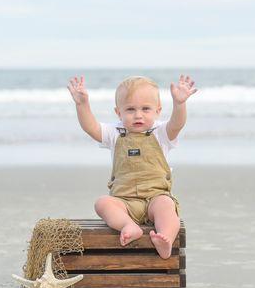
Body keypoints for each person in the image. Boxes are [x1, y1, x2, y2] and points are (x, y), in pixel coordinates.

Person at [67, 75, 197, 259]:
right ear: (118, 112)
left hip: (155, 197)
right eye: (130, 109)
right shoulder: (115, 133)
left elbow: (177, 124)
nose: (138, 115)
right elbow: (91, 127)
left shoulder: (161, 133)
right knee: (102, 203)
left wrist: (180, 104)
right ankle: (128, 225)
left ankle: (165, 239)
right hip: (124, 201)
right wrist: (82, 105)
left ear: (158, 111)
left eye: (146, 109)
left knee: (167, 207)